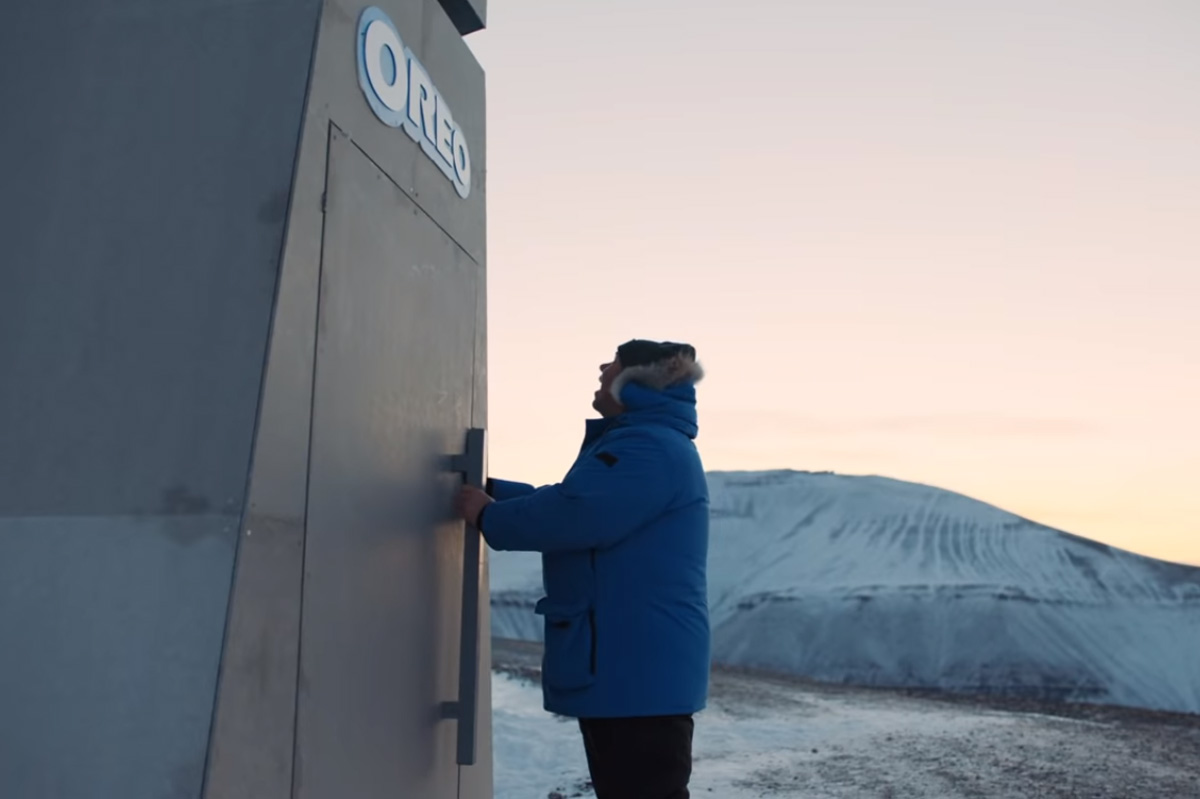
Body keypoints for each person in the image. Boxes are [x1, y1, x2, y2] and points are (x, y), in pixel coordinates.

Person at [454, 339, 710, 799]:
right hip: (635, 670)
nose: (601, 367)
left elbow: (576, 515)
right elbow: (572, 502)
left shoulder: (645, 447)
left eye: (614, 362)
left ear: (637, 382)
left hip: (634, 670)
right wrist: (495, 493)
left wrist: (487, 514)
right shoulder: (645, 445)